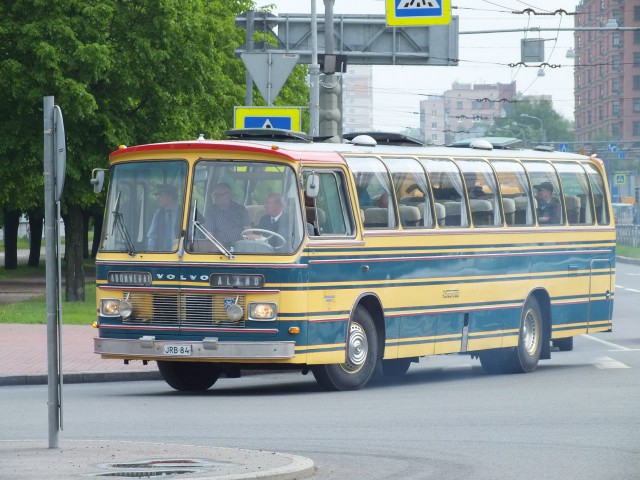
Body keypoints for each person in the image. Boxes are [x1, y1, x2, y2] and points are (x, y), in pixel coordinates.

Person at [204, 182, 250, 248]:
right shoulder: (211, 211)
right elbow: (209, 234)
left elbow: (248, 230)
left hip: (241, 247)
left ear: (229, 195)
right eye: (215, 194)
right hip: (221, 249)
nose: (216, 197)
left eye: (220, 194)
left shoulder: (241, 209)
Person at [147, 184, 180, 250]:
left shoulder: (184, 212)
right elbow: (152, 235)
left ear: (170, 197)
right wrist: (151, 250)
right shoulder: (158, 213)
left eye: (161, 196)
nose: (158, 199)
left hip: (180, 255)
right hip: (162, 255)